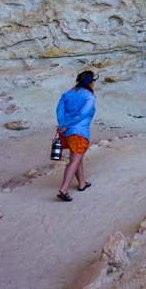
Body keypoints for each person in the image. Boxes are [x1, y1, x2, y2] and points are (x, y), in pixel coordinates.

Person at [56, 70, 97, 202]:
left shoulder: (67, 94)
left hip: (66, 132)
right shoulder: (89, 96)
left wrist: (62, 125)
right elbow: (82, 114)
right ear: (91, 82)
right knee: (74, 160)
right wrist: (67, 124)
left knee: (76, 157)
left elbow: (59, 110)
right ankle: (64, 189)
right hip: (79, 132)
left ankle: (82, 183)